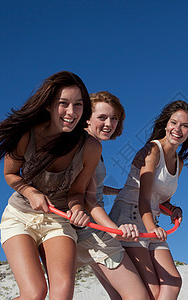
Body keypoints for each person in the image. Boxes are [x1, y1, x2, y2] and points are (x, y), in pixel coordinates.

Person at [0, 71, 101, 299]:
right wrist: (30, 192)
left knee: (62, 294)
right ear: (49, 105)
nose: (71, 112)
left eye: (78, 104)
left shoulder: (90, 147)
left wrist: (78, 209)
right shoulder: (25, 136)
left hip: (59, 219)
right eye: (63, 103)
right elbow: (10, 174)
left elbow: (77, 192)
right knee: (34, 292)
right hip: (20, 216)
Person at [109, 100, 188, 299]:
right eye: (174, 123)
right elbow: (144, 197)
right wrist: (152, 228)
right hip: (130, 217)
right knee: (151, 291)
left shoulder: (179, 163)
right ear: (166, 125)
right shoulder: (152, 151)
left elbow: (158, 198)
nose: (178, 129)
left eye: (185, 126)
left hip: (151, 220)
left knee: (173, 282)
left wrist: (173, 208)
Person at [76, 91, 149, 300]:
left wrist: (117, 191)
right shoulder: (88, 146)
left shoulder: (88, 145)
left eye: (114, 118)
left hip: (87, 232)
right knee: (138, 297)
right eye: (102, 117)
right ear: (87, 118)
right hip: (94, 232)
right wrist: (115, 230)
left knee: (117, 297)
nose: (109, 123)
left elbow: (92, 186)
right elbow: (88, 199)